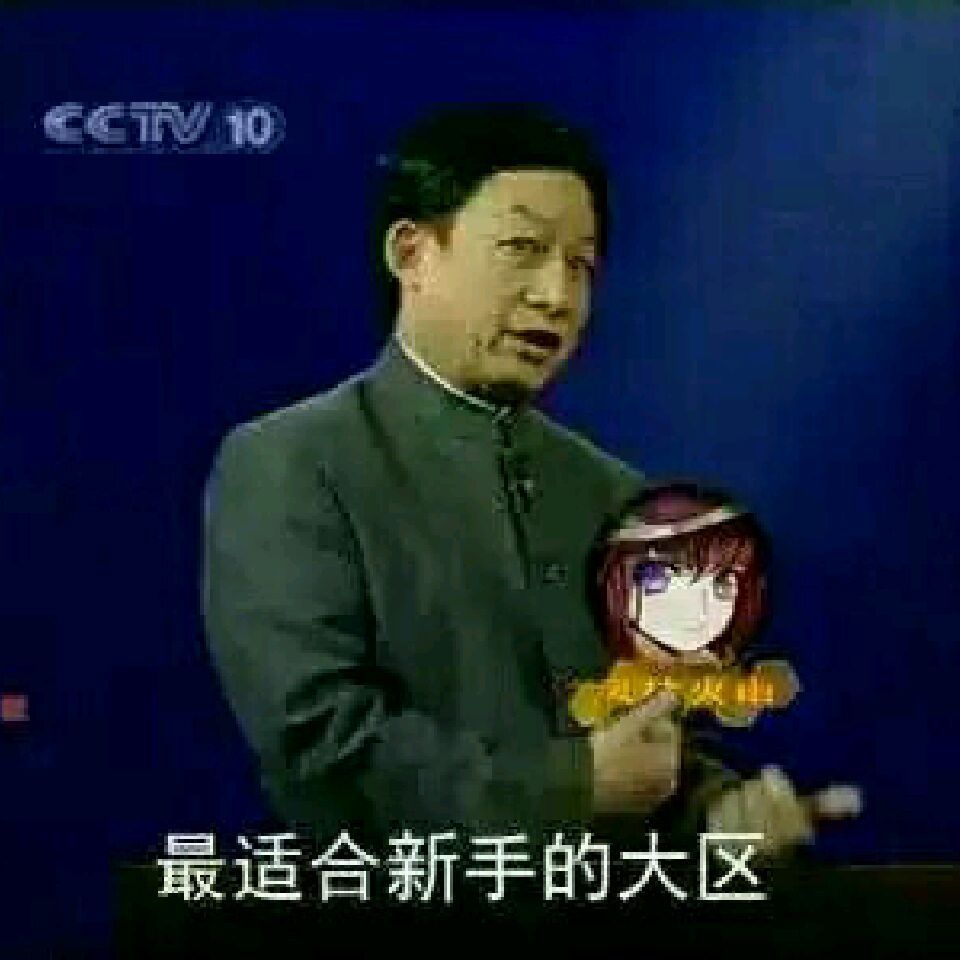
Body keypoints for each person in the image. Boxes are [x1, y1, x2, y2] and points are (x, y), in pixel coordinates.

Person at [202, 104, 858, 862]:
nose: (557, 295)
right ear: (413, 254)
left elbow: (645, 746)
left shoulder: (614, 495)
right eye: (523, 249)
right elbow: (320, 746)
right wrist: (573, 786)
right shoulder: (292, 462)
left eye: (582, 265)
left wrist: (718, 817)